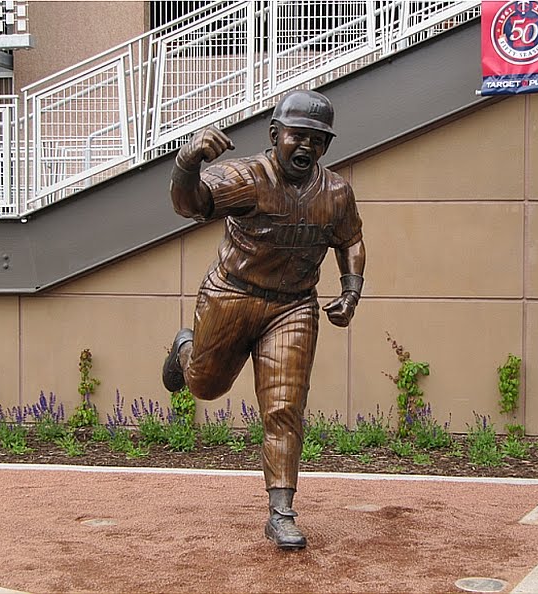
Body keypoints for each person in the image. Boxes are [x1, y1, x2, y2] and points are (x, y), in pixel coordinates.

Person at [162, 89, 366, 550]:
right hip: (232, 296)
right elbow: (190, 205)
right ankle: (184, 347)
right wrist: (188, 161)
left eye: (318, 140)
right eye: (299, 136)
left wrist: (351, 289)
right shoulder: (246, 176)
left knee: (284, 407)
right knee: (205, 387)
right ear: (275, 135)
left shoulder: (335, 192)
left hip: (293, 306)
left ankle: (281, 513)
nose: (307, 147)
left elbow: (350, 239)